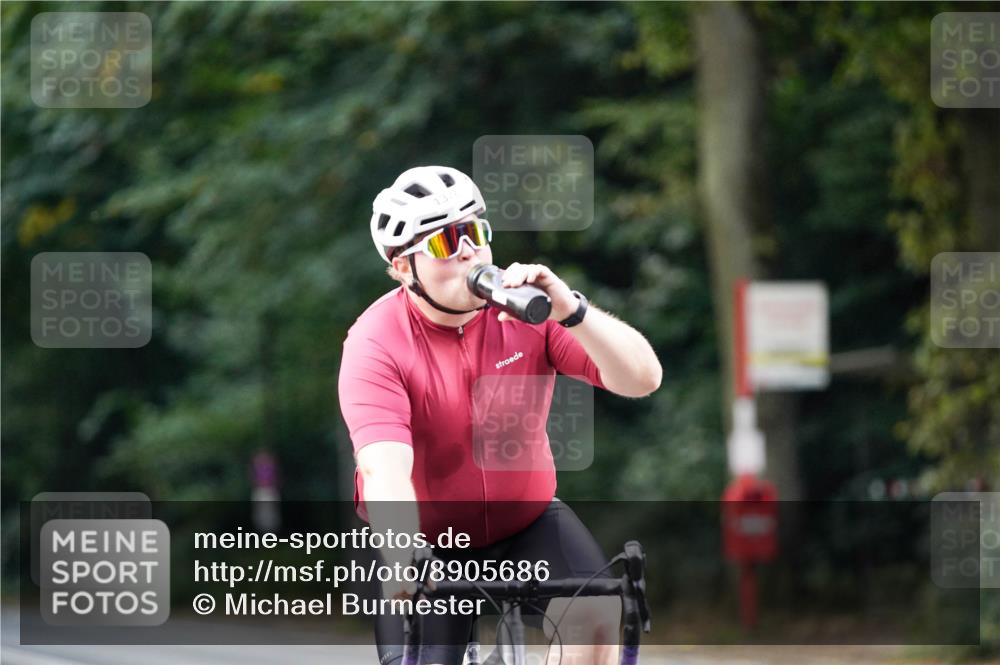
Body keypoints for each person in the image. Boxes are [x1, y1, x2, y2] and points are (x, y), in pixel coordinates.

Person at [338, 165, 662, 665]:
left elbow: (643, 378)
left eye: (476, 232)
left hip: (525, 523)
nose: (469, 251)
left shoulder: (526, 310)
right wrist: (403, 554)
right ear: (403, 267)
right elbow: (385, 470)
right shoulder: (375, 342)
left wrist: (571, 311)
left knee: (597, 624)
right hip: (427, 540)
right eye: (446, 241)